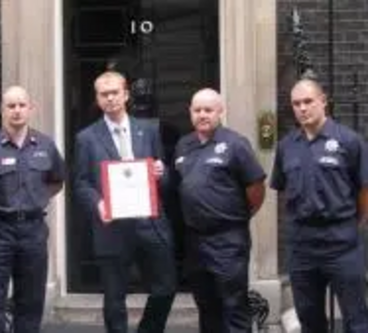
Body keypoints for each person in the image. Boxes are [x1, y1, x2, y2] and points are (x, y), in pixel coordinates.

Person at [73, 71, 177, 333]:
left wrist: (162, 173)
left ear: (126, 95)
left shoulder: (150, 129)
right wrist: (98, 204)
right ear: (97, 99)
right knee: (114, 299)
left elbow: (164, 179)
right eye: (103, 94)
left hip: (150, 223)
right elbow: (81, 183)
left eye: (115, 92)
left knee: (165, 287)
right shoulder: (86, 138)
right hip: (112, 226)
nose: (110, 98)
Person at [0, 85, 65, 333]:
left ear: (31, 108)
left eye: (21, 105)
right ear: (2, 110)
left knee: (30, 302)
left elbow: (57, 181)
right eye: (11, 106)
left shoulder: (46, 145)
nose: (17, 111)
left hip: (33, 230)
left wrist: (35, 199)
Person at [271, 79, 368, 332]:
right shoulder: (286, 146)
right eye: (296, 103)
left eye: (308, 102)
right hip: (302, 247)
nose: (302, 108)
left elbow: (364, 190)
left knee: (356, 320)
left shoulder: (349, 141)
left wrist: (353, 223)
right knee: (310, 320)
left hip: (341, 244)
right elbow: (283, 191)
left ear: (323, 101)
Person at [173, 88, 266, 332]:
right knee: (206, 305)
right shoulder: (184, 145)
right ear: (190, 112)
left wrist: (238, 217)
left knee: (234, 304)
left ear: (220, 112)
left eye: (208, 110)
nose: (202, 115)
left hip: (228, 239)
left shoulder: (236, 144)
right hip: (195, 240)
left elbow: (256, 188)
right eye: (197, 110)